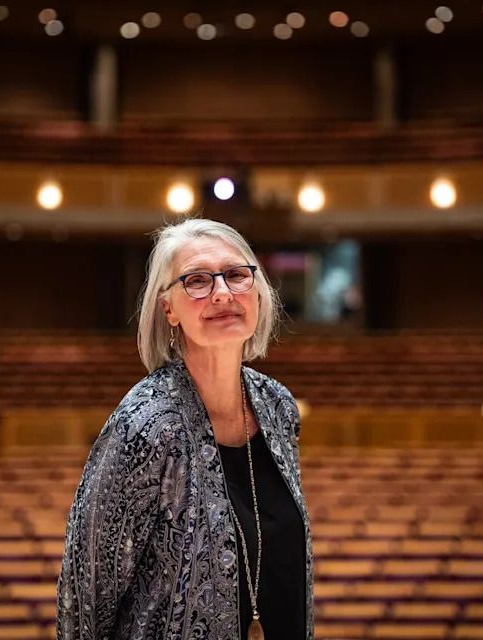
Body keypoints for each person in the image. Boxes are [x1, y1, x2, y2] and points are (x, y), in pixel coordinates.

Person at [56, 217, 313, 639]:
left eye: (235, 275)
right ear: (169, 309)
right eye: (197, 280)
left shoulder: (277, 406)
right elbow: (84, 600)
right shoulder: (142, 426)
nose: (223, 293)